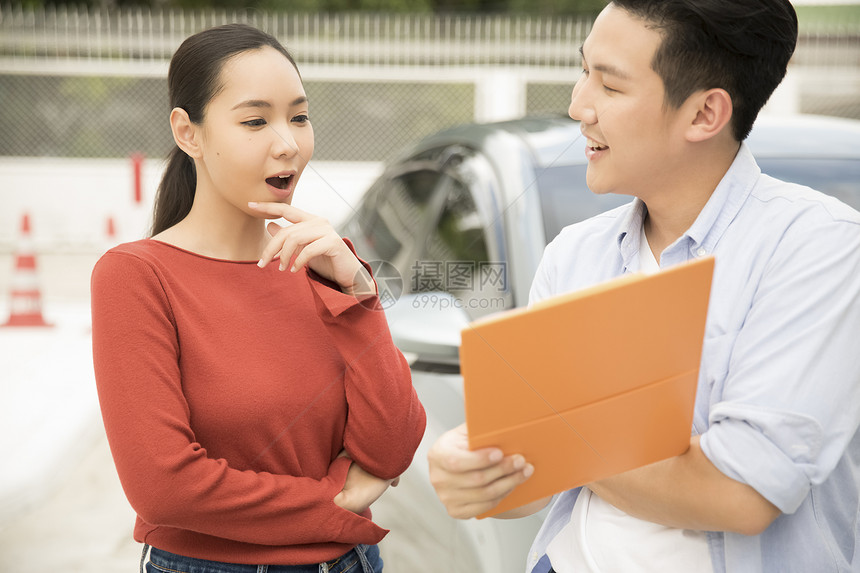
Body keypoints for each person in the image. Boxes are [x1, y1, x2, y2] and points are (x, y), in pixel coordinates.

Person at [427, 1, 860, 572]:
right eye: (584, 71)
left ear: (705, 114)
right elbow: (533, 486)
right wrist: (475, 474)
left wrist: (554, 440)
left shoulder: (819, 247)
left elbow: (742, 492)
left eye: (609, 85)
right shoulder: (574, 256)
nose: (579, 106)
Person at [91, 23, 426, 573]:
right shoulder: (136, 277)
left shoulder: (321, 262)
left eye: (299, 116)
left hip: (355, 562)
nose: (288, 143)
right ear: (188, 132)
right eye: (255, 120)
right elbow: (165, 488)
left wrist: (359, 296)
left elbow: (391, 446)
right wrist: (336, 503)